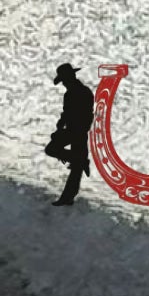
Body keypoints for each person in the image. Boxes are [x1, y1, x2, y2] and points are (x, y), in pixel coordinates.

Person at [47, 62, 95, 205]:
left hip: (78, 131)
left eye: (64, 80)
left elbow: (85, 115)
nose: (63, 83)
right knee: (76, 164)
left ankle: (67, 197)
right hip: (75, 130)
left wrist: (66, 128)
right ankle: (68, 197)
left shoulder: (81, 92)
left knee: (56, 152)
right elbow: (67, 113)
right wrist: (61, 126)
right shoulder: (75, 92)